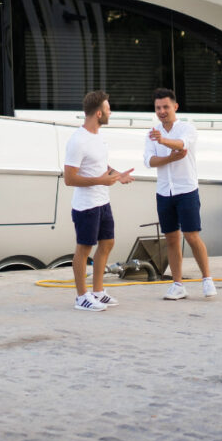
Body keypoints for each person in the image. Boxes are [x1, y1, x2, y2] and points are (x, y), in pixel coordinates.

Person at [63, 91, 135, 311]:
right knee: (83, 250)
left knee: (107, 243)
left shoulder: (98, 138)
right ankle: (81, 297)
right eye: (108, 108)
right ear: (98, 112)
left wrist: (117, 174)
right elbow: (69, 178)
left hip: (103, 202)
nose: (110, 111)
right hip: (86, 206)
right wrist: (102, 181)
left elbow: (101, 166)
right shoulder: (78, 140)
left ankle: (98, 291)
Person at [143, 88, 216, 299]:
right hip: (164, 191)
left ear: (175, 106)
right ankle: (177, 284)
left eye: (165, 107)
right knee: (171, 239)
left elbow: (182, 146)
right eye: (158, 108)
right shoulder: (152, 133)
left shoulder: (187, 128)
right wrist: (169, 158)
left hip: (186, 190)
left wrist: (163, 142)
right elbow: (148, 161)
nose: (162, 111)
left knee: (192, 236)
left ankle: (207, 279)